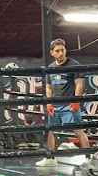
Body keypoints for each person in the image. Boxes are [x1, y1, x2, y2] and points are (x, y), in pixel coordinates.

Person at [37, 39, 90, 168]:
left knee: (78, 131)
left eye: (62, 50)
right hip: (55, 105)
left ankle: (89, 159)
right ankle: (50, 158)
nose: (61, 53)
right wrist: (49, 103)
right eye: (57, 51)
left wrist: (76, 100)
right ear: (52, 53)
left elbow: (79, 84)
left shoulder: (73, 64)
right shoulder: (50, 68)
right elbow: (48, 87)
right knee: (49, 131)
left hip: (69, 105)